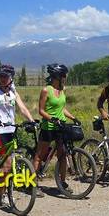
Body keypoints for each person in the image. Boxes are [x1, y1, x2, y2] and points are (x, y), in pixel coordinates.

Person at [0, 64, 36, 207]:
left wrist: (31, 121)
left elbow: (23, 108)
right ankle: (0, 196)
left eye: (5, 76)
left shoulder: (14, 92)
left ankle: (2, 190)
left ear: (11, 78)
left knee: (9, 163)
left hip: (11, 130)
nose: (2, 78)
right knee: (6, 163)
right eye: (0, 76)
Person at [34, 63, 80, 196]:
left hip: (61, 126)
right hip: (48, 127)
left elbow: (62, 108)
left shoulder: (62, 90)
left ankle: (62, 182)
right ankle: (33, 184)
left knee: (62, 155)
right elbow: (41, 111)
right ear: (57, 76)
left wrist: (73, 117)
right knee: (39, 156)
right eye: (64, 76)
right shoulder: (46, 90)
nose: (65, 78)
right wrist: (51, 119)